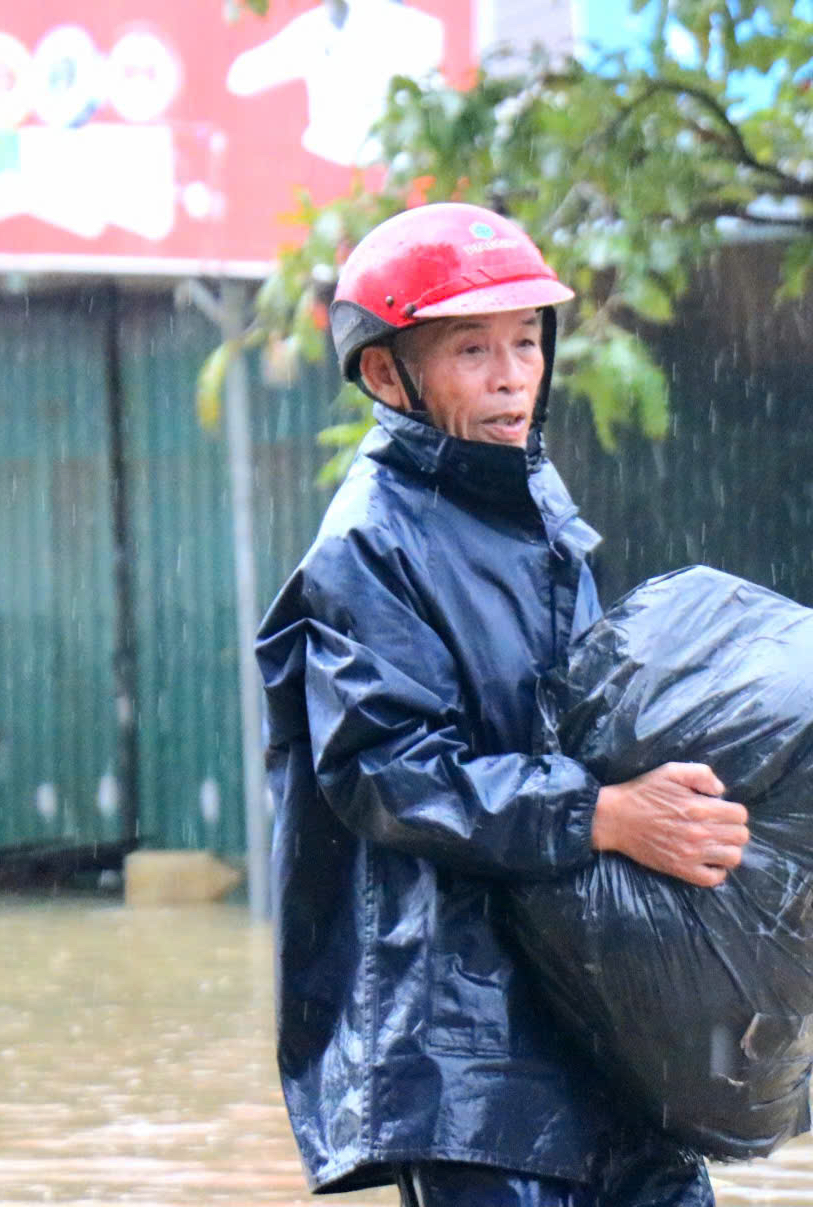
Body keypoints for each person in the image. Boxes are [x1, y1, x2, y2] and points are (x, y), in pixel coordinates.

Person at [256, 202, 750, 1206]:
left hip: (599, 1010)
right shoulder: (367, 546)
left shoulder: (537, 508)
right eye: (472, 349)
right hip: (465, 1058)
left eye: (526, 341)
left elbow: (593, 724)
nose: (512, 374)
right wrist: (604, 813)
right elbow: (391, 773)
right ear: (387, 374)